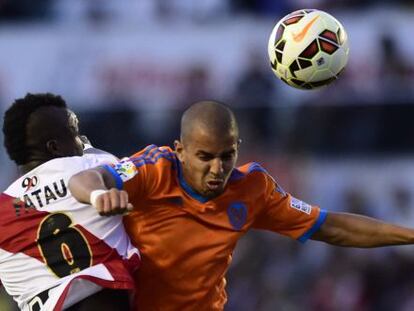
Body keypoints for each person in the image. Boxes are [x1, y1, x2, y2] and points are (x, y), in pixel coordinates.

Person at [69, 100, 414, 311]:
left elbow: (330, 226)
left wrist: (410, 235)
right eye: (205, 157)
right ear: (180, 149)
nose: (217, 168)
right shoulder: (152, 169)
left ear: (238, 148)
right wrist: (100, 195)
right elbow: (85, 180)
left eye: (226, 156)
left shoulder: (254, 189)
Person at [0, 93, 139, 311]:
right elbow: (139, 168)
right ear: (55, 147)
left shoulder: (3, 210)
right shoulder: (94, 164)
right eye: (74, 134)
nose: (81, 141)